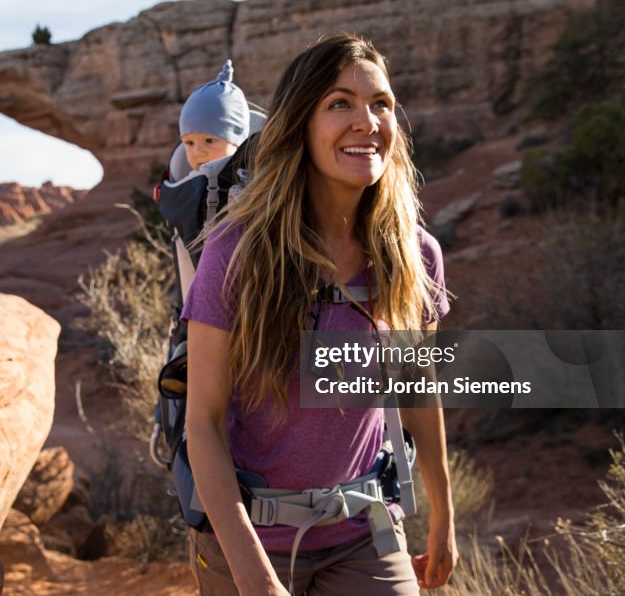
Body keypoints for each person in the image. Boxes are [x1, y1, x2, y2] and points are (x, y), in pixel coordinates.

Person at [181, 33, 458, 595]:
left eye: (380, 103)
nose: (367, 120)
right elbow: (203, 422)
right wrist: (253, 577)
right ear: (300, 126)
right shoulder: (237, 250)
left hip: (363, 532)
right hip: (246, 542)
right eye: (339, 104)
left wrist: (446, 518)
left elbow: (416, 389)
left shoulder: (415, 255)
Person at [179, 59, 250, 171]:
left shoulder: (255, 181)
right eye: (190, 143)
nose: (198, 152)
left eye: (209, 140)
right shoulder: (186, 184)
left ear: (238, 141)